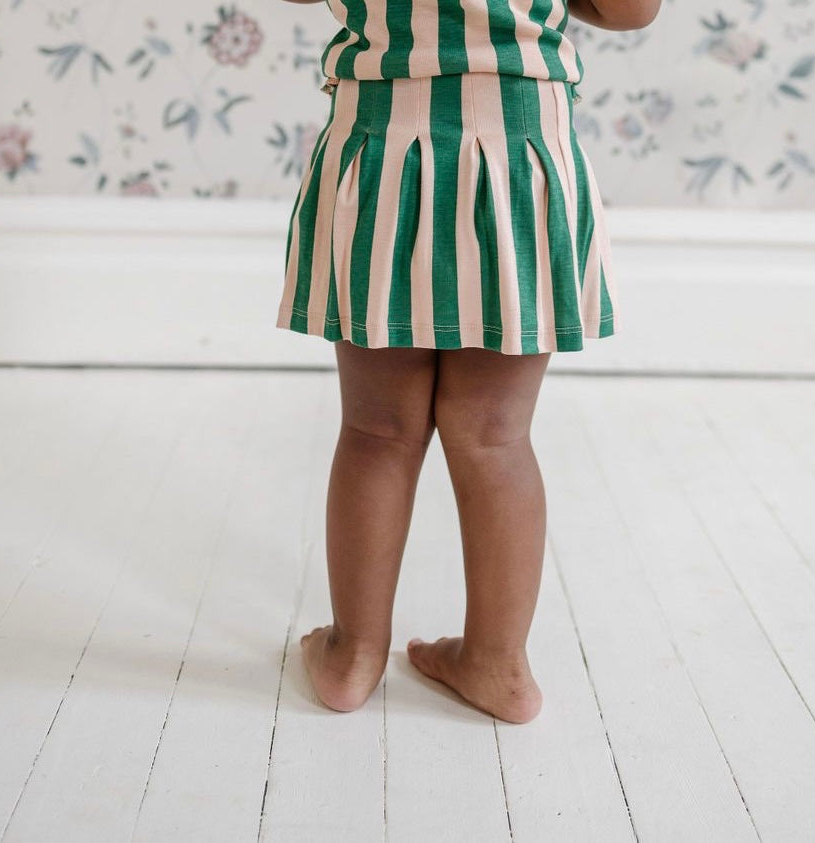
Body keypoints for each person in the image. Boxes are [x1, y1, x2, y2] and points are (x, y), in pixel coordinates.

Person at [277, 0, 661, 723]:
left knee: (377, 430)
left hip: (381, 148)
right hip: (520, 149)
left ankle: (353, 654)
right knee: (495, 435)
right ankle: (497, 664)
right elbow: (629, 8)